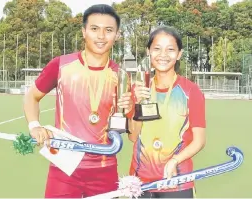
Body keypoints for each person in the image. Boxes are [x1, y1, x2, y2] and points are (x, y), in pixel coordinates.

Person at [23, 4, 134, 198]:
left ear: (117, 35)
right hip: (64, 166)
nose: (101, 36)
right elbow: (32, 96)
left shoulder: (122, 77)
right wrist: (34, 125)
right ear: (84, 32)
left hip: (104, 168)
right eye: (94, 29)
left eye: (108, 30)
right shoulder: (61, 65)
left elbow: (129, 128)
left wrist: (132, 110)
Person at [128, 26, 207, 198]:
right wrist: (137, 103)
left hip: (177, 181)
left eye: (170, 49)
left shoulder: (191, 91)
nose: (163, 55)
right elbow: (133, 136)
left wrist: (175, 160)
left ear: (179, 54)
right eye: (157, 48)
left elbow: (199, 141)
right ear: (148, 51)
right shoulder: (138, 88)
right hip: (140, 182)